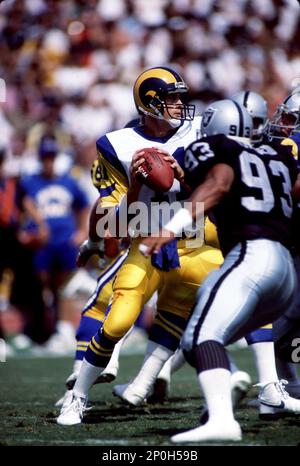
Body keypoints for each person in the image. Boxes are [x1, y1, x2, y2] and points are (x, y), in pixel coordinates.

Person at [57, 66, 223, 426]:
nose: (180, 104)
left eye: (181, 96)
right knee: (117, 322)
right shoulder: (115, 145)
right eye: (172, 97)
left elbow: (218, 189)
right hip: (146, 241)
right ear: (151, 103)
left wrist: (185, 177)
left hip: (194, 240)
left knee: (193, 319)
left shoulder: (198, 131)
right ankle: (77, 396)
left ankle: (250, 388)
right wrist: (134, 186)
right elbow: (112, 223)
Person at [140, 99, 300, 442]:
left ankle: (223, 420)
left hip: (252, 255)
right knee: (199, 339)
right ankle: (228, 398)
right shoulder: (279, 156)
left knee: (200, 335)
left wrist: (169, 229)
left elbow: (220, 184)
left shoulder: (218, 148)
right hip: (286, 269)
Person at [20, 135, 90, 347]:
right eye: (45, 157)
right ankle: (36, 330)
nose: (48, 162)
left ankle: (62, 329)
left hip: (65, 242)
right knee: (40, 286)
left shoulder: (68, 181)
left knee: (63, 287)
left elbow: (84, 206)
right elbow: (22, 204)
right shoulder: (30, 181)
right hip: (41, 244)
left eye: (51, 157)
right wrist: (31, 230)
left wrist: (82, 231)